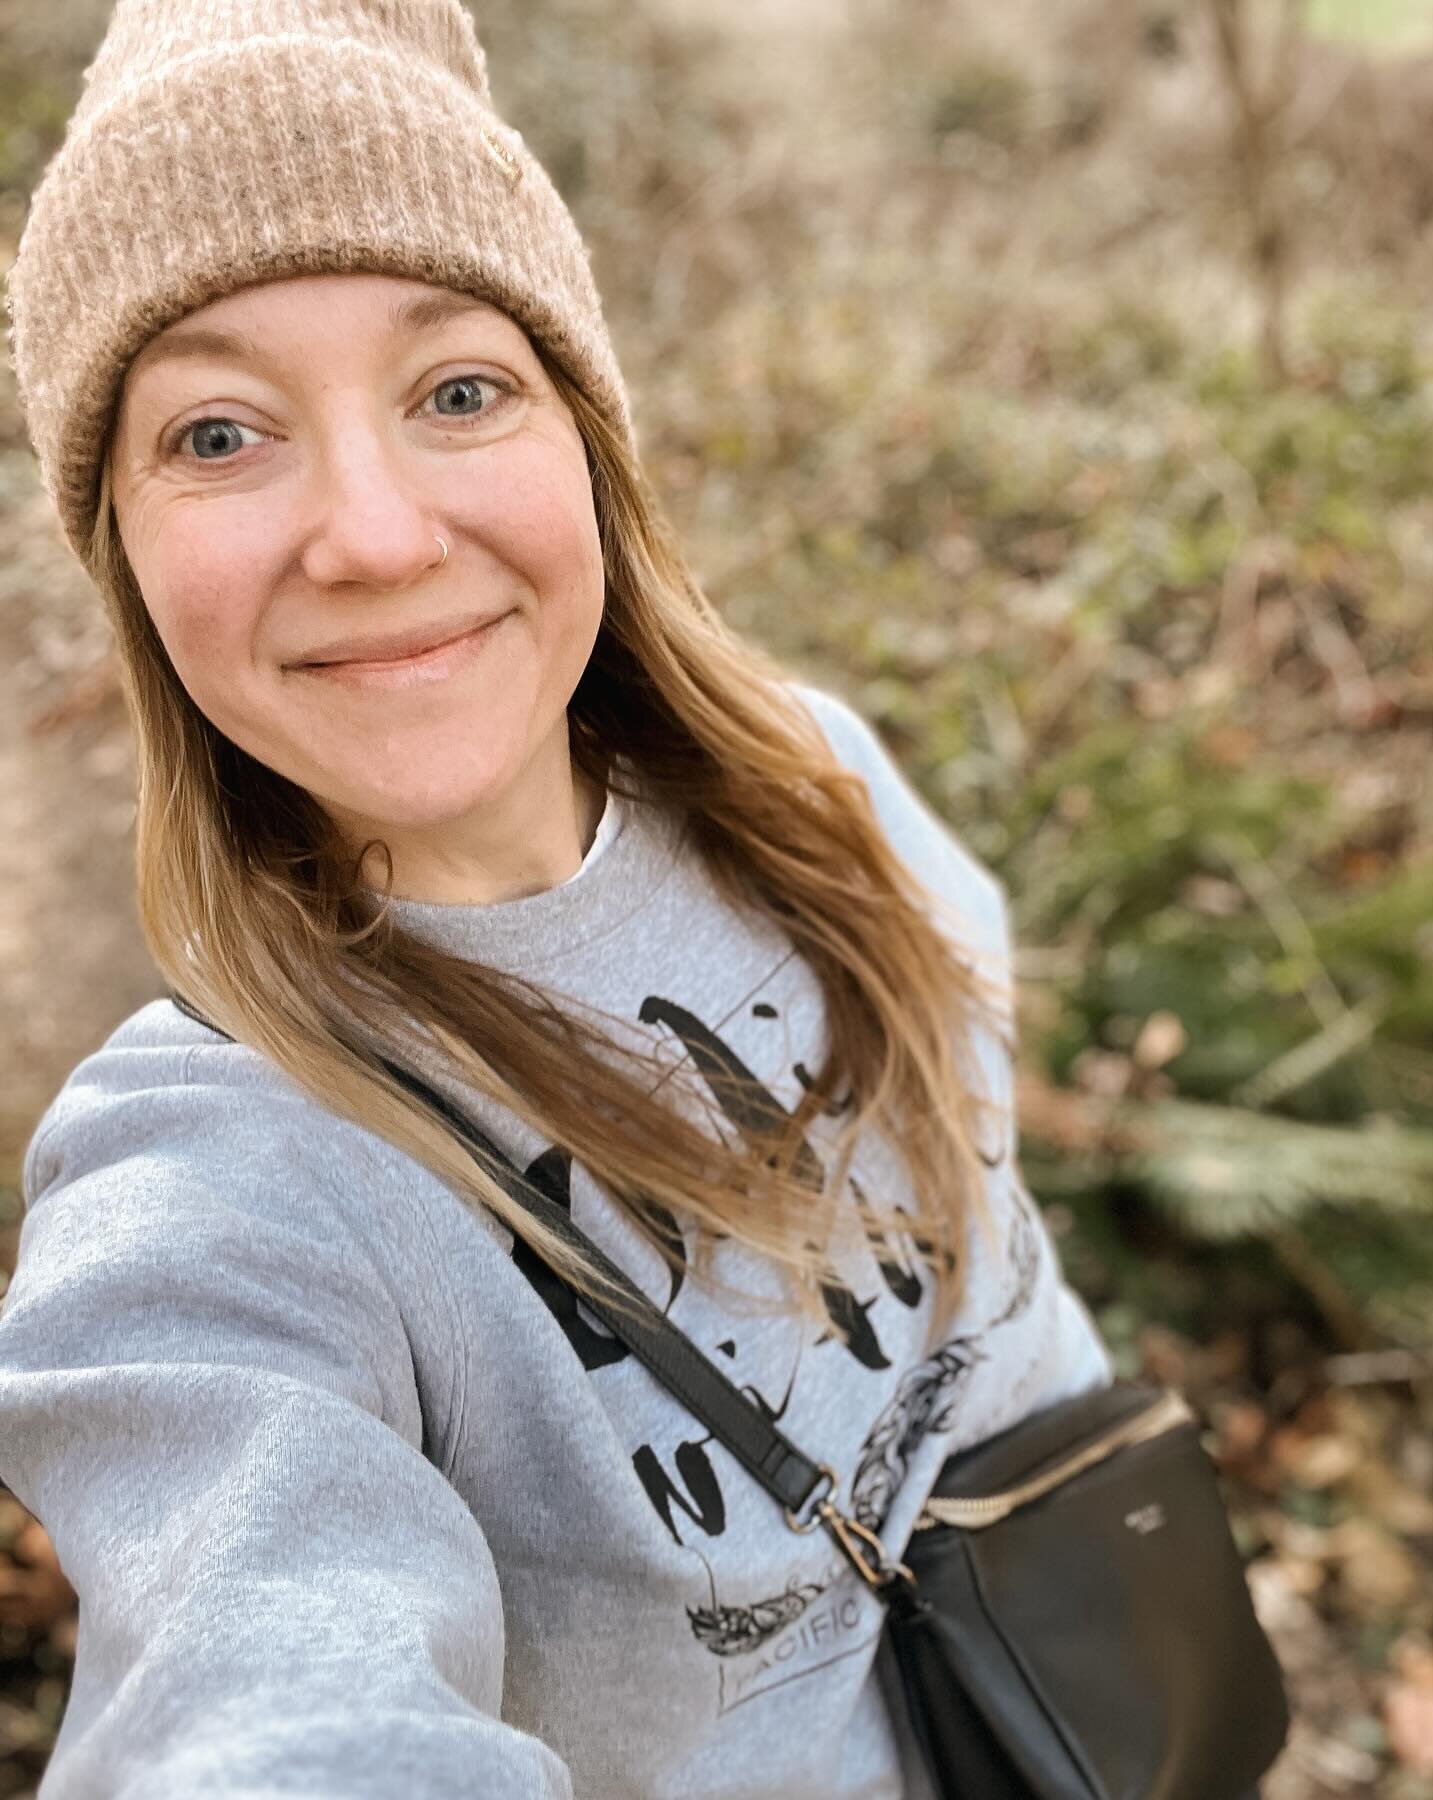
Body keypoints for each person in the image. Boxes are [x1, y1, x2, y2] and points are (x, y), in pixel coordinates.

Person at [0, 2, 1112, 1795]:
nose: (370, 532)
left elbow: (1005, 1268)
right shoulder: (213, 1186)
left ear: (584, 437)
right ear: (122, 544)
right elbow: (266, 1690)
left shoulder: (814, 790)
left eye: (458, 390)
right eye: (217, 433)